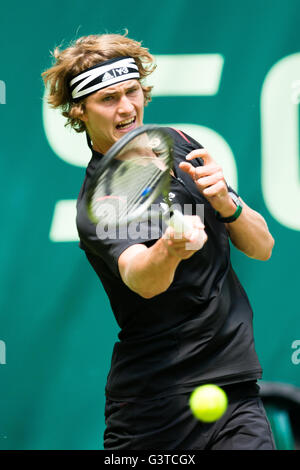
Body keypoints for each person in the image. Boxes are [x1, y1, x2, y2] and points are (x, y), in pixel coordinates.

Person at [42, 32, 276, 450]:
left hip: (234, 388)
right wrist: (170, 248)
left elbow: (262, 246)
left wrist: (226, 203)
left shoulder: (182, 144)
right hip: (153, 408)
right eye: (108, 99)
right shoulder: (101, 200)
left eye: (131, 91)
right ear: (80, 110)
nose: (127, 107)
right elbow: (141, 278)